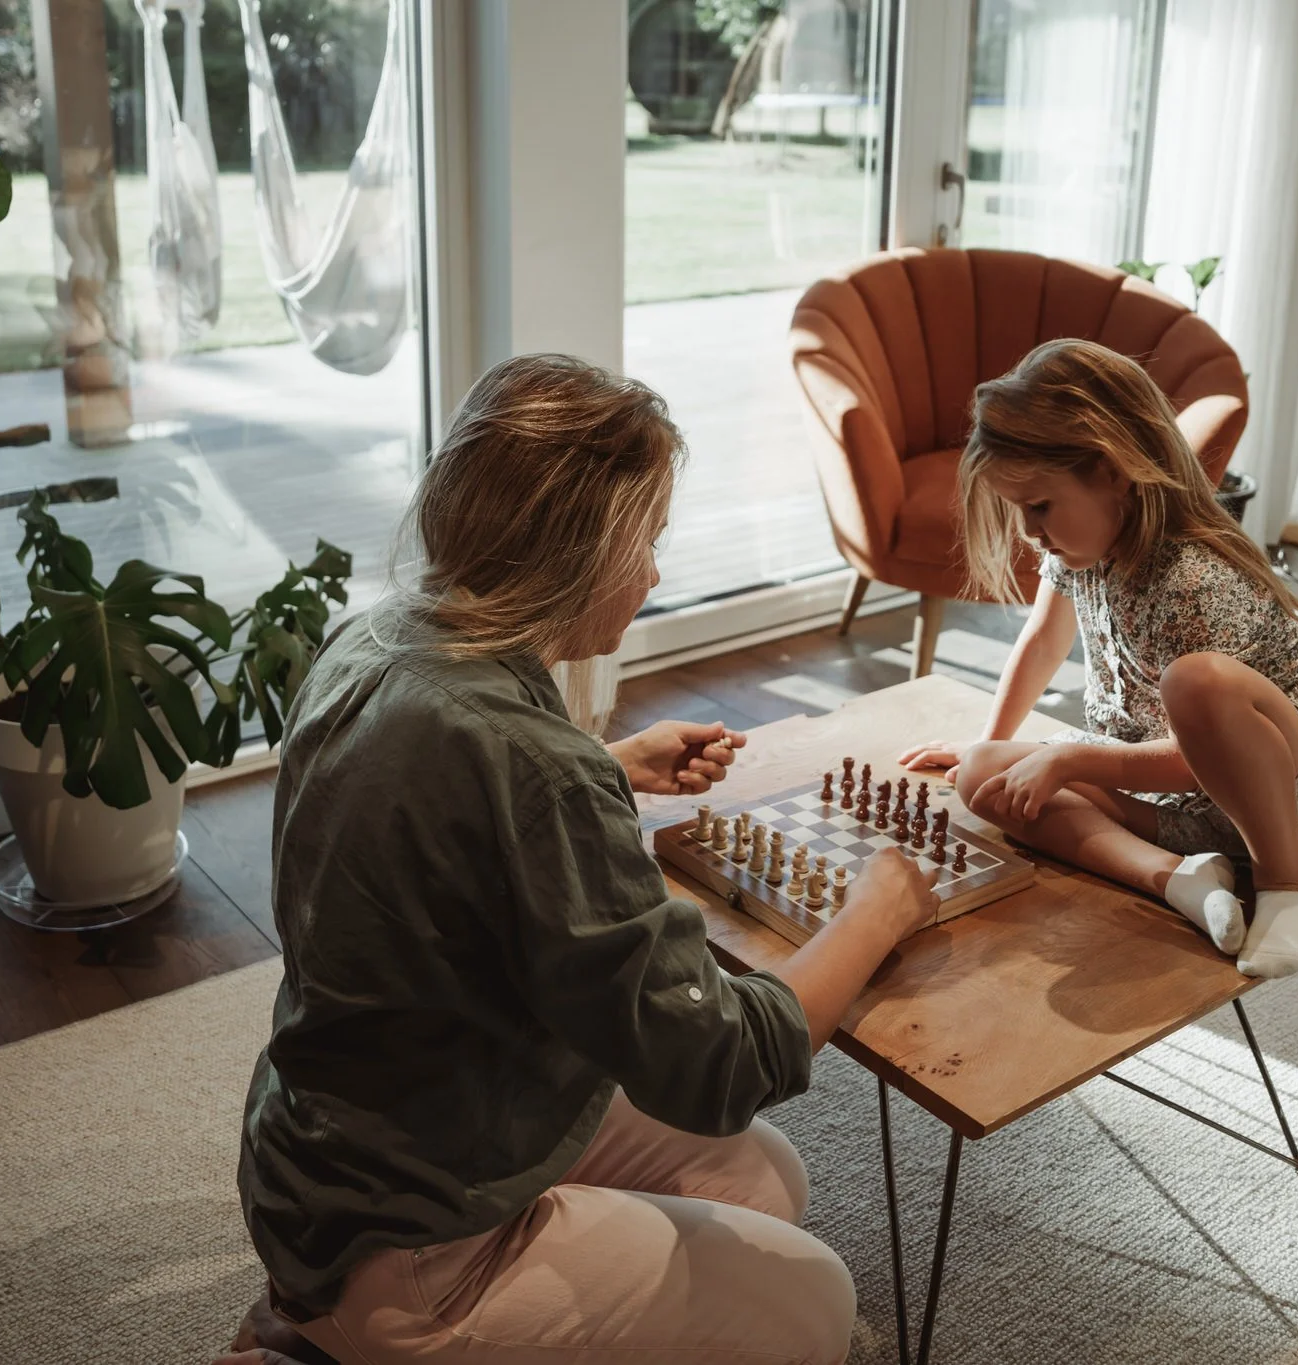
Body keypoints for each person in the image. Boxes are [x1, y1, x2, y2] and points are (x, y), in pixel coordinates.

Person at [234, 353, 939, 1365]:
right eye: (644, 542)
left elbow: (435, 806)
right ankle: (343, 1343)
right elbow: (718, 1065)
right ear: (579, 554)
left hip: (324, 1158)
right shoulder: (533, 767)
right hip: (417, 1241)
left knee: (761, 1183)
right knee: (819, 1305)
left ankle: (338, 1325)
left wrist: (610, 769)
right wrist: (875, 910)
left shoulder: (376, 639)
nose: (653, 572)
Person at [899, 339, 1298, 979]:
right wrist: (989, 740)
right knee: (984, 776)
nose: (1029, 532)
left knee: (1196, 683)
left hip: (1280, 802)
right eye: (1017, 510)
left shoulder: (1194, 581)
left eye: (1040, 506)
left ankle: (1286, 883)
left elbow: (1205, 761)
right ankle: (1181, 881)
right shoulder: (1080, 551)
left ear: (1111, 471)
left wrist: (1071, 757)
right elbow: (1042, 644)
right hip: (1172, 803)